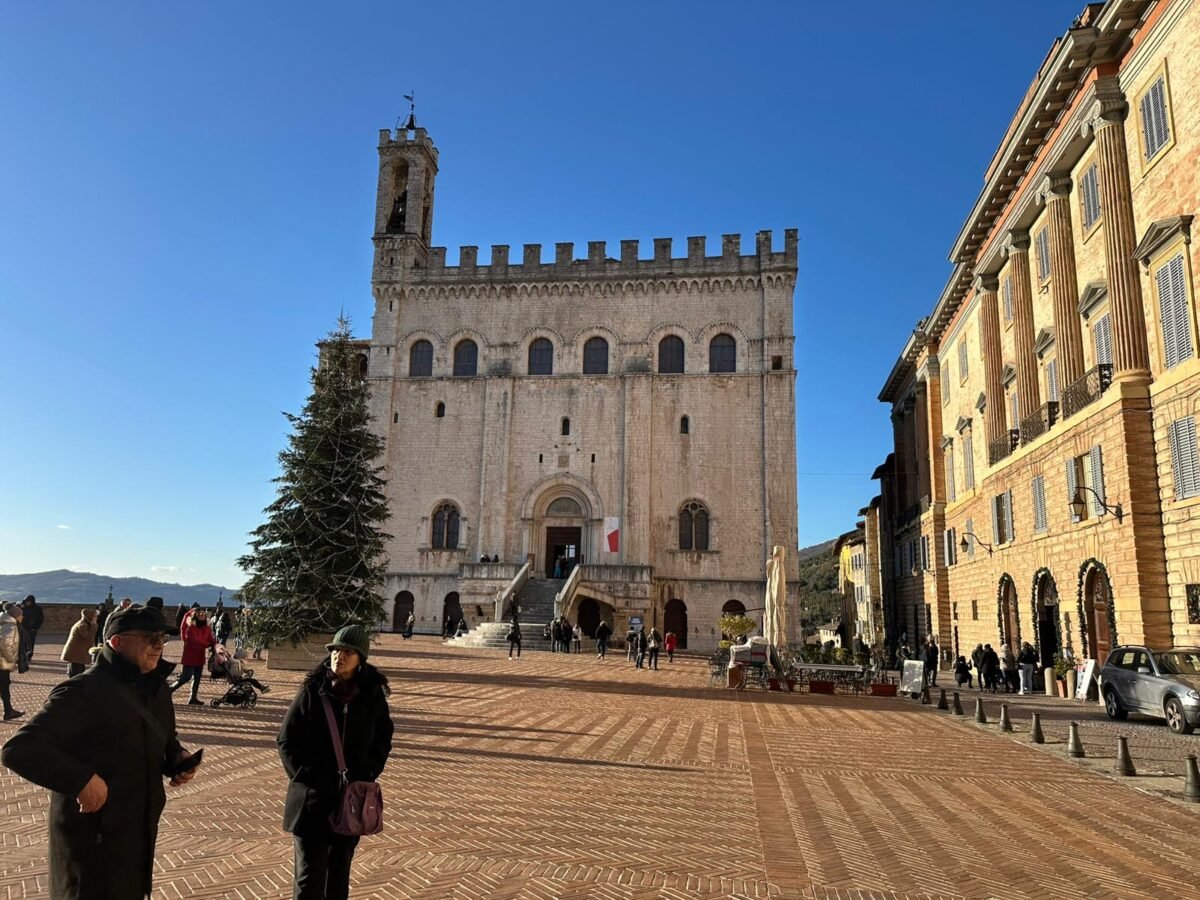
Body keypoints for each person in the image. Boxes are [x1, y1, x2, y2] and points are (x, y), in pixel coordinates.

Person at [1, 604, 201, 899]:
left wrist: (176, 758)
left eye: (162, 638)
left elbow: (165, 737)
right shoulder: (82, 691)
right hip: (92, 843)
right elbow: (20, 749)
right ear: (117, 642)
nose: (159, 646)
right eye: (149, 638)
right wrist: (81, 780)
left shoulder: (155, 688)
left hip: (137, 836)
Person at [278, 625, 394, 900]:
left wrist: (368, 772)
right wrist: (304, 777)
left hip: (351, 800)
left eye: (347, 652)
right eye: (335, 650)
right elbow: (286, 739)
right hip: (311, 801)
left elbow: (383, 736)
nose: (338, 656)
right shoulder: (312, 691)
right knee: (309, 879)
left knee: (339, 875)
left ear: (360, 659)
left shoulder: (371, 695)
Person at [171, 608, 216, 705]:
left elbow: (210, 638)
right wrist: (207, 644)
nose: (202, 615)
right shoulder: (191, 628)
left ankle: (193, 697)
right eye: (200, 614)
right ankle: (169, 690)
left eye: (204, 614)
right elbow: (195, 640)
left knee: (197, 677)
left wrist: (216, 644)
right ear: (196, 616)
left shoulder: (207, 628)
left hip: (199, 655)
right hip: (190, 655)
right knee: (186, 677)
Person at [0, 604, 24, 719]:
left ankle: (8, 710)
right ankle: (8, 711)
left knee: (4, 686)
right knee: (4, 685)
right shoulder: (10, 626)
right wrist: (10, 664)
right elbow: (7, 646)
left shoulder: (3, 622)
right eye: (21, 615)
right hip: (2, 662)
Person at [61, 608, 98, 677]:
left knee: (79, 669)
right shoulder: (82, 625)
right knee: (75, 671)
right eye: (95, 616)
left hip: (79, 652)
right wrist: (94, 625)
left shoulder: (86, 624)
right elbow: (86, 636)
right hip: (76, 652)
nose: (96, 618)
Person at [21, 596, 44, 665]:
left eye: (29, 602)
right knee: (23, 643)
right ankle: (23, 656)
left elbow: (40, 619)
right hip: (24, 628)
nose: (27, 603)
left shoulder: (38, 609)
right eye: (26, 602)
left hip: (32, 629)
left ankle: (29, 656)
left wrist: (35, 627)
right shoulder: (23, 608)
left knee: (30, 643)